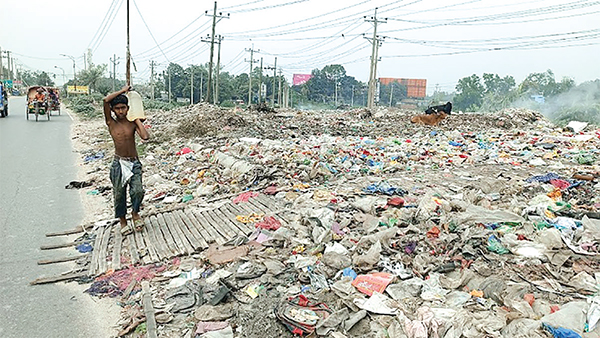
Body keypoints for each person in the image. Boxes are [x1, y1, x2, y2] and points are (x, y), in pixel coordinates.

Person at [103, 85, 150, 235]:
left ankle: (135, 213)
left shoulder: (131, 123)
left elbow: (145, 136)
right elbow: (105, 100)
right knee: (119, 194)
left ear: (128, 108)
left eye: (123, 107)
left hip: (134, 162)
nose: (121, 111)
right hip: (119, 163)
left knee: (138, 191)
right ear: (112, 110)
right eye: (117, 108)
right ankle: (123, 221)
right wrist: (123, 90)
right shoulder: (111, 123)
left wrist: (137, 120)